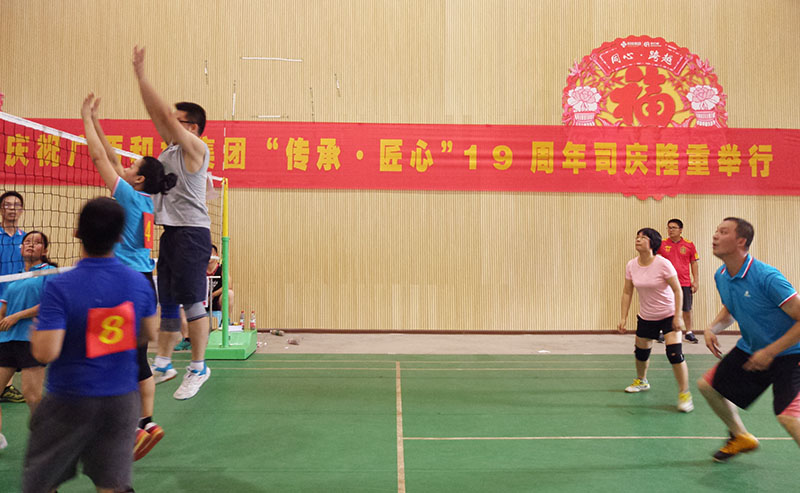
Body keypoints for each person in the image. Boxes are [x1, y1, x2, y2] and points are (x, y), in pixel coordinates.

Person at [23, 197, 158, 492]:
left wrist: (37, 335)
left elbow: (46, 352)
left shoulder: (60, 285)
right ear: (120, 237)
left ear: (76, 233)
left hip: (69, 399)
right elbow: (149, 332)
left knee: (41, 482)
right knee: (112, 484)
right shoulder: (138, 283)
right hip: (121, 401)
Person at [81, 92, 176, 460]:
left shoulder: (128, 196)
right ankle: (147, 423)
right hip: (144, 282)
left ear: (138, 179)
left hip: (119, 282)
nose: (125, 165)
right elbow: (113, 157)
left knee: (108, 352)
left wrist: (84, 119)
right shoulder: (148, 201)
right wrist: (97, 120)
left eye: (132, 165)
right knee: (138, 357)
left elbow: (99, 157)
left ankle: (119, 426)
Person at [133, 45, 213, 399]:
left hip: (192, 234)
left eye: (177, 121)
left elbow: (164, 112)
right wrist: (139, 81)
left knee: (193, 303)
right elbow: (157, 113)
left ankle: (198, 367)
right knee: (166, 303)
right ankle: (163, 363)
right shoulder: (170, 149)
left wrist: (143, 74)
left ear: (191, 127)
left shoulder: (196, 149)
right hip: (171, 233)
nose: (168, 123)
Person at [697, 217, 800, 462]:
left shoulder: (767, 277)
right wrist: (712, 328)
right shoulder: (722, 275)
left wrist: (771, 351)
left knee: (789, 417)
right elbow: (731, 308)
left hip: (791, 353)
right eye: (716, 231)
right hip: (753, 349)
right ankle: (741, 436)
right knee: (708, 387)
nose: (715, 236)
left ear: (741, 241)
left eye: (723, 232)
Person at [617, 227, 693, 413]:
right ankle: (642, 381)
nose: (638, 240)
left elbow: (678, 290)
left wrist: (678, 316)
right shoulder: (631, 265)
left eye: (643, 237)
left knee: (674, 354)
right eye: (637, 237)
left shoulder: (663, 264)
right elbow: (627, 292)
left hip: (668, 314)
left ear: (653, 243)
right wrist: (623, 317)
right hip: (647, 316)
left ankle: (684, 393)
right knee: (641, 353)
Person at [0, 231, 56, 450]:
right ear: (21, 248)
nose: (31, 245)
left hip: (31, 339)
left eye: (37, 242)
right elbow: (3, 310)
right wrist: (5, 317)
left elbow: (48, 304)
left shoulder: (49, 272)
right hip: (6, 340)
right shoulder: (13, 277)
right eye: (27, 242)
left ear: (45, 250)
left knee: (32, 396)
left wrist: (17, 316)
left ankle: (46, 440)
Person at [0, 191, 26, 404]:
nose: (12, 209)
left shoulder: (26, 239)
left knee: (9, 342)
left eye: (16, 205)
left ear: (22, 210)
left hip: (16, 300)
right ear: (1, 209)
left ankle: (6, 386)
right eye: (7, 205)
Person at [656, 218, 700, 344]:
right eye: (669, 227)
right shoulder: (662, 244)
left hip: (684, 282)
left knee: (686, 308)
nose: (670, 230)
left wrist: (696, 281)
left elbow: (694, 263)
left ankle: (689, 332)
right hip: (666, 283)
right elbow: (654, 259)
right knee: (665, 307)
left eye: (674, 228)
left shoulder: (689, 244)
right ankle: (662, 331)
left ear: (680, 230)